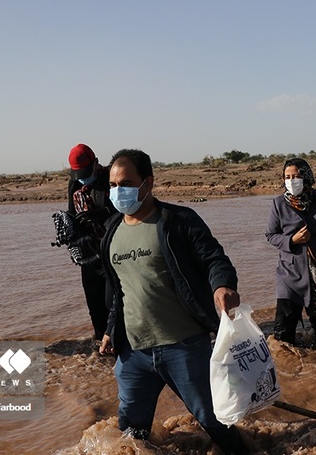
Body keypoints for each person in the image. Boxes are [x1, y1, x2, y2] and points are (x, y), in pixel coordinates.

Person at [98, 149, 246, 453]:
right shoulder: (111, 232)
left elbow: (214, 258)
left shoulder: (177, 221)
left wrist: (222, 286)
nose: (117, 192)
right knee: (130, 435)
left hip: (184, 347)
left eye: (125, 183)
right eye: (112, 185)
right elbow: (120, 291)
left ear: (148, 183)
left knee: (213, 420)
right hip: (134, 355)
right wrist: (110, 329)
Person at [266, 158, 316, 348]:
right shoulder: (279, 204)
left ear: (306, 176)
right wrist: (291, 240)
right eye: (287, 177)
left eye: (296, 176)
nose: (291, 180)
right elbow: (271, 235)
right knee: (283, 334)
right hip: (290, 273)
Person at [67, 143, 117, 340]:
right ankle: (101, 347)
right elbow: (72, 213)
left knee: (112, 303)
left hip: (112, 253)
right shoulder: (75, 184)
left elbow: (124, 214)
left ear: (96, 163)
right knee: (94, 306)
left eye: (85, 172)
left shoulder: (111, 180)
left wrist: (102, 214)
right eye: (78, 174)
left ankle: (118, 343)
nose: (82, 178)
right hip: (89, 256)